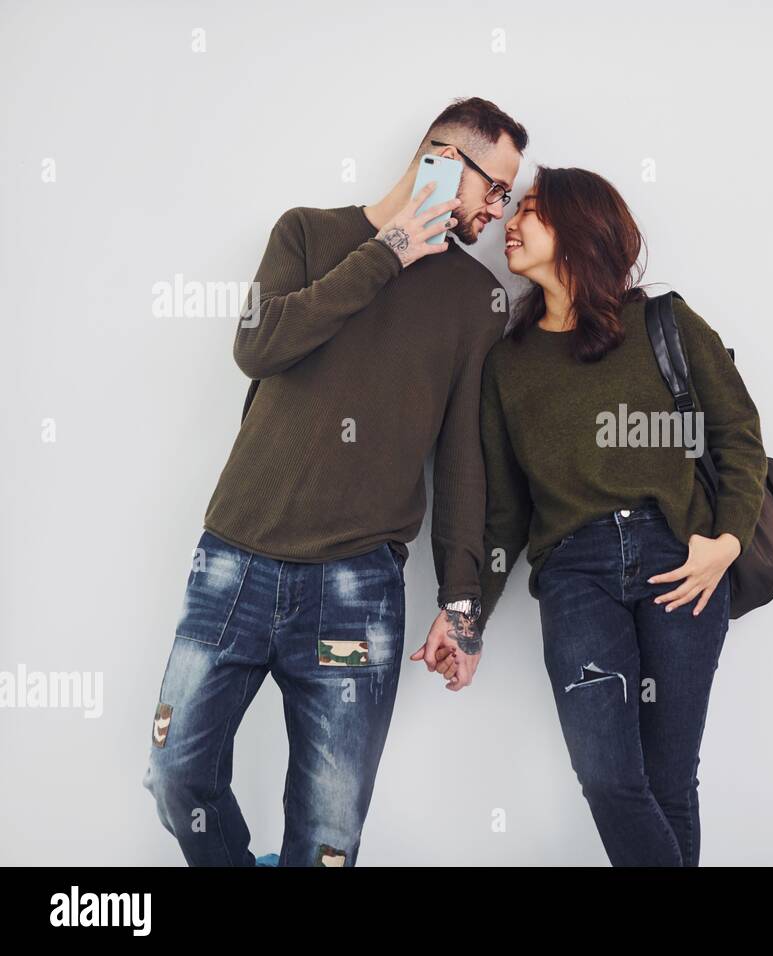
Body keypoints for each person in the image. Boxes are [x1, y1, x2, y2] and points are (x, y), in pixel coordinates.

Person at [143, 97, 527, 866]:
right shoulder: (308, 233)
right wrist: (387, 252)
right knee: (175, 772)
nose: (499, 209)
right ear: (445, 159)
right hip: (235, 563)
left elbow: (462, 466)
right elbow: (258, 344)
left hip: (356, 592)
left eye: (508, 197)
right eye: (496, 187)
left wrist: (464, 604)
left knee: (327, 838)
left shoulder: (473, 301)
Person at [463, 166, 768, 866]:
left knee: (668, 780)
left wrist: (727, 540)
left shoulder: (662, 322)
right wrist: (468, 613)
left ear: (577, 228)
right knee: (608, 778)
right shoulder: (507, 364)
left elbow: (738, 435)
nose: (511, 221)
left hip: (680, 563)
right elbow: (506, 515)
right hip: (576, 575)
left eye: (531, 211)